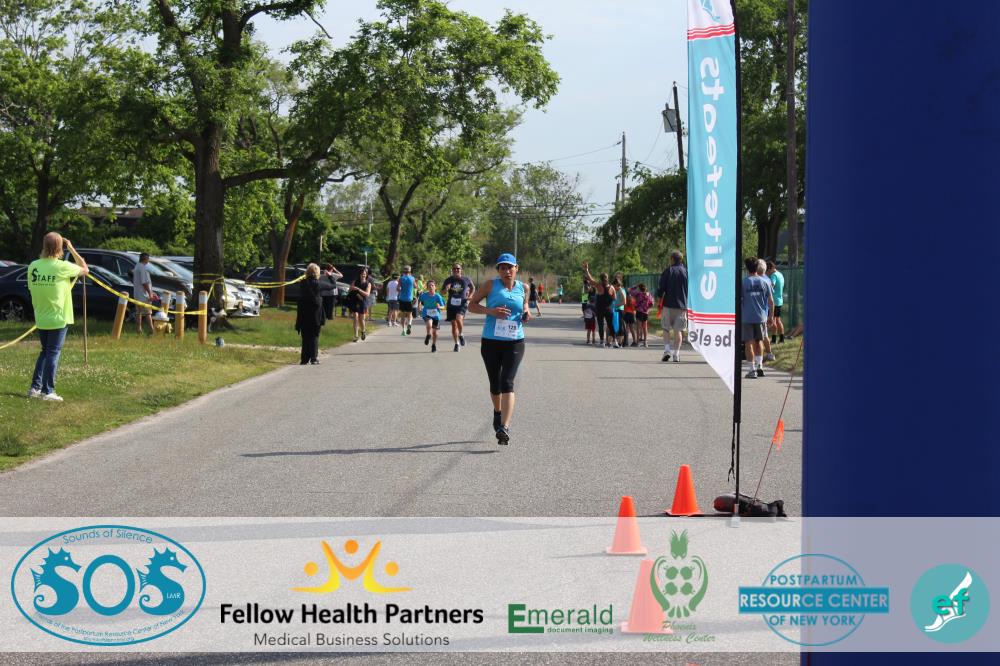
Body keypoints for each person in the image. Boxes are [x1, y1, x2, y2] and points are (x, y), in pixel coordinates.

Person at [467, 253, 531, 445]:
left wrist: (526, 311)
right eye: (503, 268)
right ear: (498, 270)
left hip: (515, 341)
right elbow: (471, 305)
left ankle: (504, 426)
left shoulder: (524, 288)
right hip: (491, 341)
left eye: (510, 267)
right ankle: (497, 412)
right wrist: (490, 311)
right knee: (495, 384)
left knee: (507, 382)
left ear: (516, 268)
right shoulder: (490, 285)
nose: (506, 271)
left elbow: (525, 304)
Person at [26, 233, 89, 402]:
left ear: (44, 246)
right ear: (60, 247)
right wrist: (71, 248)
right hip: (58, 317)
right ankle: (48, 391)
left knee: (45, 352)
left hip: (41, 316)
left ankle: (35, 388)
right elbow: (85, 269)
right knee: (53, 353)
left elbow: (31, 288)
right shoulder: (62, 266)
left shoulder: (33, 266)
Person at [742, 257, 775, 379]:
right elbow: (771, 301)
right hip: (761, 317)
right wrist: (771, 316)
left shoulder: (743, 282)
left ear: (747, 268)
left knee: (749, 343)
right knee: (759, 341)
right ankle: (760, 366)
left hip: (747, 317)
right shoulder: (765, 282)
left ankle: (752, 370)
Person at [658, 250, 689, 362]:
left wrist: (659, 298)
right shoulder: (687, 272)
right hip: (682, 307)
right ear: (681, 259)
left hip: (668, 305)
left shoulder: (668, 271)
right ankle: (676, 354)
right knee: (678, 330)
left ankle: (667, 351)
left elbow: (661, 288)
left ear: (672, 259)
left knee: (666, 328)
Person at [582, 262, 617, 348]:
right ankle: (615, 342)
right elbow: (614, 298)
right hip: (608, 309)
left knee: (601, 325)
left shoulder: (599, 286)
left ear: (601, 279)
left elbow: (590, 280)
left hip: (600, 309)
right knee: (610, 325)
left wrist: (586, 269)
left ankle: (602, 342)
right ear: (607, 278)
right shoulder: (612, 287)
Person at [295, 263, 324, 365]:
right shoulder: (318, 284)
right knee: (314, 336)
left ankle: (304, 358)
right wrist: (330, 277)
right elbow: (332, 286)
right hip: (315, 314)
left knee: (305, 337)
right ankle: (313, 357)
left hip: (304, 313)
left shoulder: (302, 283)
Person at [441, 263, 475, 352]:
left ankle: (461, 334)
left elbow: (473, 288)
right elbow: (442, 293)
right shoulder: (448, 280)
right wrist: (446, 289)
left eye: (458, 268)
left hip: (462, 303)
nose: (456, 270)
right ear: (452, 270)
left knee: (458, 318)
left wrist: (470, 296)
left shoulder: (466, 279)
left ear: (461, 270)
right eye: (454, 269)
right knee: (453, 325)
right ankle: (456, 344)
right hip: (451, 305)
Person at [133, 252, 160, 334]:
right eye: (148, 258)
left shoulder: (137, 266)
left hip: (137, 294)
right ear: (146, 259)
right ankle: (152, 330)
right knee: (148, 313)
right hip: (143, 295)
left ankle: (138, 329)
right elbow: (144, 282)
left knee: (138, 312)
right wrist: (150, 294)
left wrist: (152, 292)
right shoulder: (143, 268)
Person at [418, 279, 446, 352]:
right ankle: (428, 335)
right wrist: (419, 307)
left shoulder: (438, 296)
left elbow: (443, 307)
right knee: (429, 324)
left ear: (435, 287)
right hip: (426, 313)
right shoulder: (424, 295)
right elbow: (419, 300)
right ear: (427, 287)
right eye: (429, 286)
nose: (431, 287)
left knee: (435, 332)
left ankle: (434, 345)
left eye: (432, 285)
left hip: (436, 315)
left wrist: (439, 307)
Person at [347, 266, 373, 342]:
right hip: (355, 301)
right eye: (362, 274)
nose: (363, 275)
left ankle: (363, 331)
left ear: (366, 275)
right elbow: (349, 290)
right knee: (355, 316)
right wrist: (351, 289)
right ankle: (355, 335)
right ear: (359, 274)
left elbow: (367, 294)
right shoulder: (355, 282)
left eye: (364, 274)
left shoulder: (368, 284)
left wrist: (358, 289)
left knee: (361, 319)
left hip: (363, 302)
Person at [767, 261, 786, 344]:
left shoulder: (773, 275)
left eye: (768, 270)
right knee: (778, 320)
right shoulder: (780, 274)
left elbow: (772, 286)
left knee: (773, 320)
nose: (768, 273)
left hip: (774, 301)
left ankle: (774, 340)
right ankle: (782, 339)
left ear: (771, 268)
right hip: (779, 300)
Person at [633, 283, 654, 348]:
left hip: (639, 311)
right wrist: (647, 308)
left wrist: (635, 287)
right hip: (645, 312)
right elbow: (652, 303)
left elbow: (631, 292)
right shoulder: (648, 294)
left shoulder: (638, 294)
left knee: (638, 327)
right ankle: (645, 342)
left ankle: (638, 342)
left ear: (639, 288)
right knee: (645, 327)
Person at [397, 266, 416, 336]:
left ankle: (403, 330)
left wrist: (401, 291)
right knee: (410, 314)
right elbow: (416, 286)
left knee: (403, 315)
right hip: (409, 299)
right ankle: (409, 324)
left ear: (404, 271)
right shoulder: (412, 278)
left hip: (402, 299)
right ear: (410, 271)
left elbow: (398, 288)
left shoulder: (401, 278)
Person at [612, 276, 627, 347]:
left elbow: (624, 302)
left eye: (614, 286)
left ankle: (620, 342)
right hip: (616, 310)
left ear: (617, 285)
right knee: (617, 326)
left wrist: (616, 305)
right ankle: (618, 342)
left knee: (620, 326)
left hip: (620, 310)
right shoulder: (617, 290)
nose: (614, 287)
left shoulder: (621, 290)